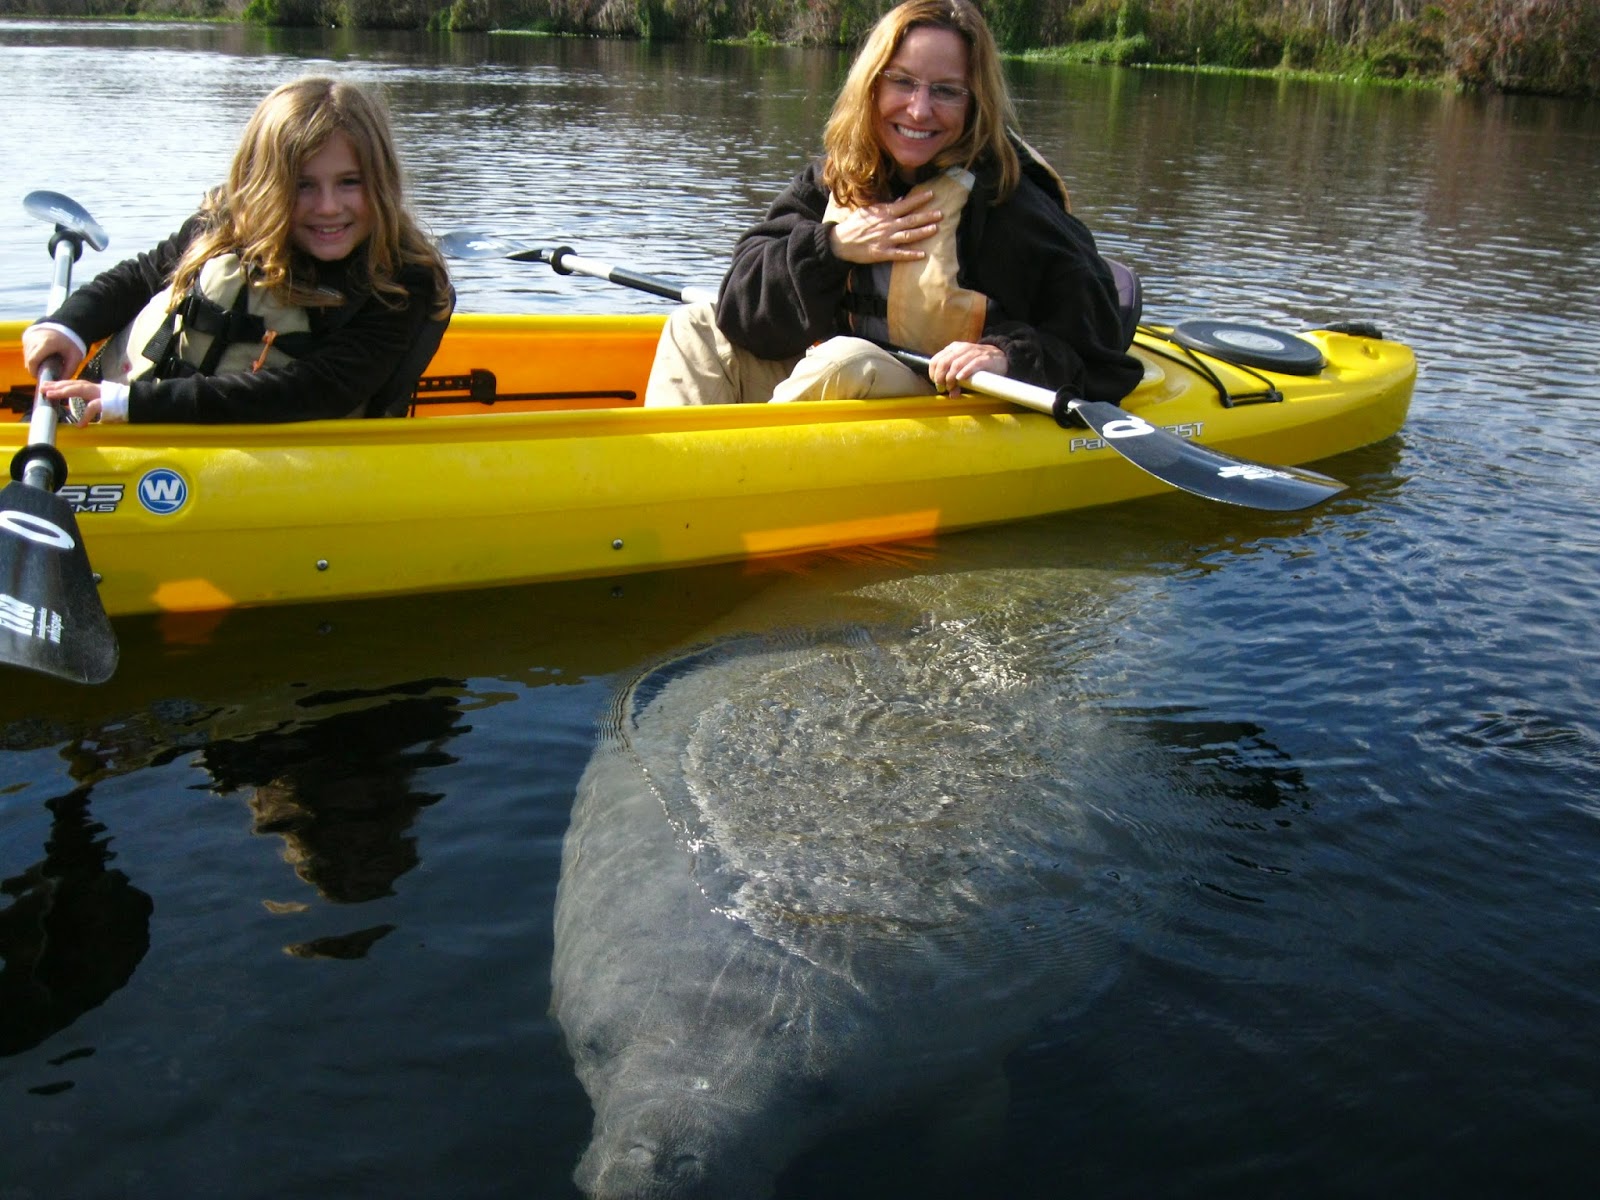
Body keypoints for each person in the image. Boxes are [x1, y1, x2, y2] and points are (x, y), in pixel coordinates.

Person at [644, 0, 1143, 409]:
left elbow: (1097, 351)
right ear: (872, 84)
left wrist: (1004, 355)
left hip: (936, 406)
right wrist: (832, 247)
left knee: (845, 361)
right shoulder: (832, 182)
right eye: (902, 81)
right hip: (828, 390)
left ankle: (734, 490)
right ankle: (669, 488)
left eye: (945, 91)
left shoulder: (1011, 206)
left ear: (974, 104)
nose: (919, 110)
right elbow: (741, 307)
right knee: (696, 327)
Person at [22, 76, 452, 424]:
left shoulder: (400, 282)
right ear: (264, 185)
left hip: (283, 454)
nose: (327, 207)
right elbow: (140, 276)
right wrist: (68, 327)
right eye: (302, 185)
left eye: (349, 182)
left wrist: (134, 404)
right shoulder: (229, 225)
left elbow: (316, 389)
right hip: (135, 409)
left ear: (381, 182)